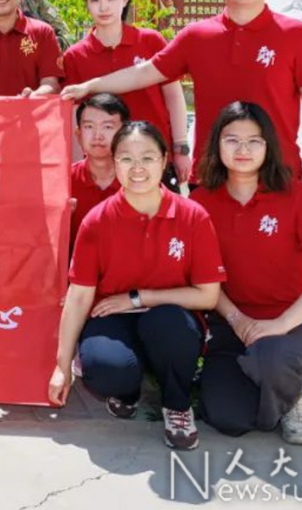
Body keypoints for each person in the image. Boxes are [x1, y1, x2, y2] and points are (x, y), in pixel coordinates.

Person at [62, 0, 302, 193]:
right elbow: (146, 72)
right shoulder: (197, 36)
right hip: (211, 177)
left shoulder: (295, 34)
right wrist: (89, 86)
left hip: (277, 174)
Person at [48, 122, 225, 450]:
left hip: (169, 315)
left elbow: (208, 295)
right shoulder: (98, 220)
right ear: (115, 162)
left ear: (164, 160)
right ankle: (128, 391)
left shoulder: (192, 216)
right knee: (105, 369)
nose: (137, 168)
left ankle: (176, 404)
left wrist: (138, 298)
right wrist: (62, 366)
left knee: (170, 326)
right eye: (127, 159)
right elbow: (79, 295)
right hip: (112, 315)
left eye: (147, 158)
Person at [191, 102, 302, 445]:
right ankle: (274, 384)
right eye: (232, 140)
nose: (243, 150)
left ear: (268, 146)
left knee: (272, 355)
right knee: (227, 417)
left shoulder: (299, 196)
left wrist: (280, 325)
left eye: (254, 141)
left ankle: (289, 398)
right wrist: (236, 319)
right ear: (216, 144)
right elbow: (203, 278)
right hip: (233, 327)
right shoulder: (201, 202)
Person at [63, 0, 191, 186]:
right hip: (103, 166)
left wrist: (180, 148)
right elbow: (74, 116)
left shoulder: (151, 41)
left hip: (154, 156)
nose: (103, 7)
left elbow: (173, 96)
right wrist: (76, 169)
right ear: (86, 4)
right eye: (95, 0)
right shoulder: (75, 56)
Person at [69, 93, 129, 251]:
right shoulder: (64, 181)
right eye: (89, 127)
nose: (97, 136)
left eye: (107, 127)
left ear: (124, 133)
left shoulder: (139, 181)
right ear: (78, 134)